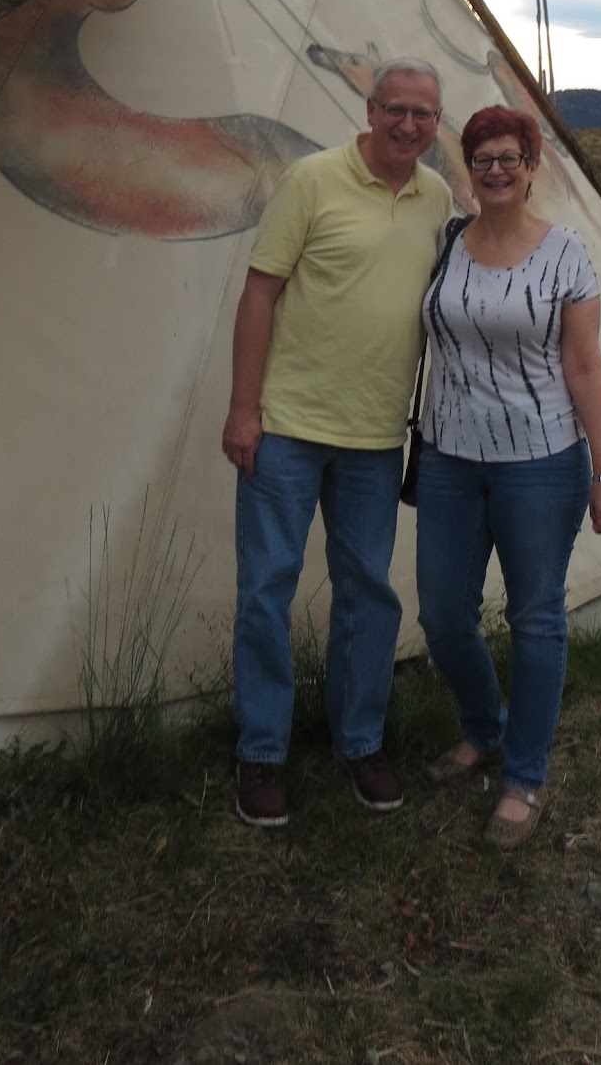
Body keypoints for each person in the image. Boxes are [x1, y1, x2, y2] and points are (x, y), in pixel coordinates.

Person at [222, 57, 452, 828]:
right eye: (396, 110)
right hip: (287, 423)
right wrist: (243, 408)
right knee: (266, 589)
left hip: (376, 435)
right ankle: (262, 751)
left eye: (423, 114)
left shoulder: (437, 198)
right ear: (370, 106)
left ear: (434, 121)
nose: (409, 125)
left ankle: (360, 742)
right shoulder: (312, 180)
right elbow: (261, 291)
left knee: (367, 592)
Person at [416, 104, 601, 849]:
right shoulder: (447, 242)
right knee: (442, 613)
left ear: (532, 166)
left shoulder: (564, 252)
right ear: (467, 169)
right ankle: (485, 727)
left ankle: (523, 775)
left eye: (509, 157)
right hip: (447, 455)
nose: (495, 169)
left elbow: (585, 365)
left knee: (535, 616)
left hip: (540, 461)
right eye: (482, 158)